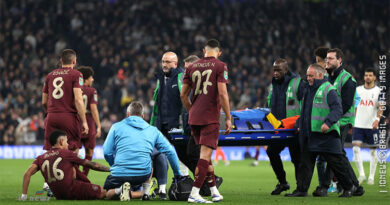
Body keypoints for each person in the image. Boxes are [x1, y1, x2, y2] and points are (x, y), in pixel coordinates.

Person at [286, 64, 354, 197]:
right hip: (310, 134)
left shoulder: (328, 89)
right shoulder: (307, 90)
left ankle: (349, 188)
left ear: (319, 75)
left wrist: (328, 123)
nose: (308, 78)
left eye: (311, 75)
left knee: (336, 163)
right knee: (305, 164)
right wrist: (300, 123)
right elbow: (304, 111)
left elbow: (338, 109)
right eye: (307, 75)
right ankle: (301, 190)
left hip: (326, 135)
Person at [181, 39, 231, 203]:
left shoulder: (192, 66)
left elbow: (183, 95)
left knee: (206, 156)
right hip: (210, 117)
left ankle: (214, 191)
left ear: (204, 50)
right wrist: (228, 118)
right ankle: (194, 193)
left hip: (194, 118)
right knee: (204, 156)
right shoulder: (220, 65)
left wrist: (192, 111)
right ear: (219, 52)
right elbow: (223, 94)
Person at [103, 101, 183, 201]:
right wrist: (177, 174)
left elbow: (107, 152)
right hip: (142, 174)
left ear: (127, 114)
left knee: (107, 194)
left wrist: (114, 164)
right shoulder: (153, 130)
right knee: (149, 160)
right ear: (143, 116)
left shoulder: (116, 127)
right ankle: (145, 193)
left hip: (120, 174)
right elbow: (170, 151)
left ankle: (119, 190)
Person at [41, 49, 88, 193]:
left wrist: (50, 112)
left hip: (52, 116)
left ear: (61, 60)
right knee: (73, 149)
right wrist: (84, 121)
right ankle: (71, 183)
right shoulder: (76, 74)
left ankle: (48, 185)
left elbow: (44, 101)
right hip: (68, 116)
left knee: (51, 150)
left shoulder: (50, 75)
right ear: (74, 61)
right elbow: (79, 100)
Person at [20, 130, 109, 200]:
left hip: (58, 195)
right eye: (66, 141)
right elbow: (92, 165)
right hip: (72, 190)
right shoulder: (67, 153)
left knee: (72, 167)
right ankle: (120, 190)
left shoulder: (41, 158)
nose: (68, 144)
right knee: (103, 192)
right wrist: (110, 169)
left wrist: (24, 195)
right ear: (62, 141)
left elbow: (27, 173)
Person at [324, 48, 364, 196]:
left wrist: (331, 119)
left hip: (342, 121)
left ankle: (345, 185)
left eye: (331, 58)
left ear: (340, 60)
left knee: (337, 153)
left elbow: (346, 104)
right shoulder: (328, 78)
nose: (327, 61)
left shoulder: (348, 79)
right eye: (327, 58)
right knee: (336, 153)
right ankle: (354, 186)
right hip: (332, 121)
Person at [265, 58, 304, 195]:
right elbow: (269, 105)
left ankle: (300, 189)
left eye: (278, 70)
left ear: (286, 70)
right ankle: (283, 182)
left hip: (293, 129)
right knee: (271, 151)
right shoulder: (273, 85)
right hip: (279, 129)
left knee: (296, 159)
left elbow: (305, 105)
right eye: (274, 70)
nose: (275, 73)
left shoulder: (298, 83)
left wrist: (300, 123)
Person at [150, 51, 184, 199]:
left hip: (176, 125)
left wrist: (184, 123)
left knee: (183, 157)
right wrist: (151, 126)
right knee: (157, 155)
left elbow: (185, 102)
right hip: (160, 126)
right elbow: (156, 106)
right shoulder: (160, 79)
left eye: (168, 62)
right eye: (163, 61)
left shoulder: (180, 77)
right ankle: (160, 186)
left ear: (175, 64)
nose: (164, 64)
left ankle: (186, 185)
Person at [353, 68, 383, 185]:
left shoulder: (379, 91)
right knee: (355, 149)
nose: (368, 77)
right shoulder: (358, 90)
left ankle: (371, 176)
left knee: (373, 152)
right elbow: (355, 106)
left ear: (374, 77)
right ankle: (361, 174)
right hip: (358, 125)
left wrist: (377, 120)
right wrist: (353, 120)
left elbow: (381, 107)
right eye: (366, 75)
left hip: (372, 126)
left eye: (370, 75)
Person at [77, 66, 102, 176]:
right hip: (89, 121)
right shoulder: (92, 91)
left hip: (76, 120)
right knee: (90, 150)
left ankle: (74, 175)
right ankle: (83, 176)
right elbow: (94, 109)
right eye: (91, 77)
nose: (92, 80)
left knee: (75, 150)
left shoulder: (76, 89)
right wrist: (99, 126)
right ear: (86, 79)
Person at [311, 47, 329, 195]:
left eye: (317, 61)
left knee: (325, 158)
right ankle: (327, 185)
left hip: (327, 124)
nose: (316, 64)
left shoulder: (327, 79)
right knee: (330, 157)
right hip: (321, 124)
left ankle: (324, 186)